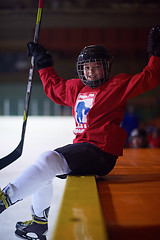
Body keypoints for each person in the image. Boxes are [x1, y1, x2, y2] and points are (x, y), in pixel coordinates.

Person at [0, 25, 160, 240]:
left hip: (101, 153)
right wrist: (44, 63)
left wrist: (156, 55)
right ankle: (38, 223)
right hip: (83, 149)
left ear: (107, 67)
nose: (90, 71)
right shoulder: (77, 88)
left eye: (96, 67)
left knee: (48, 159)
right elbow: (55, 88)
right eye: (86, 67)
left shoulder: (117, 85)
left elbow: (150, 77)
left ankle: (5, 199)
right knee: (45, 171)